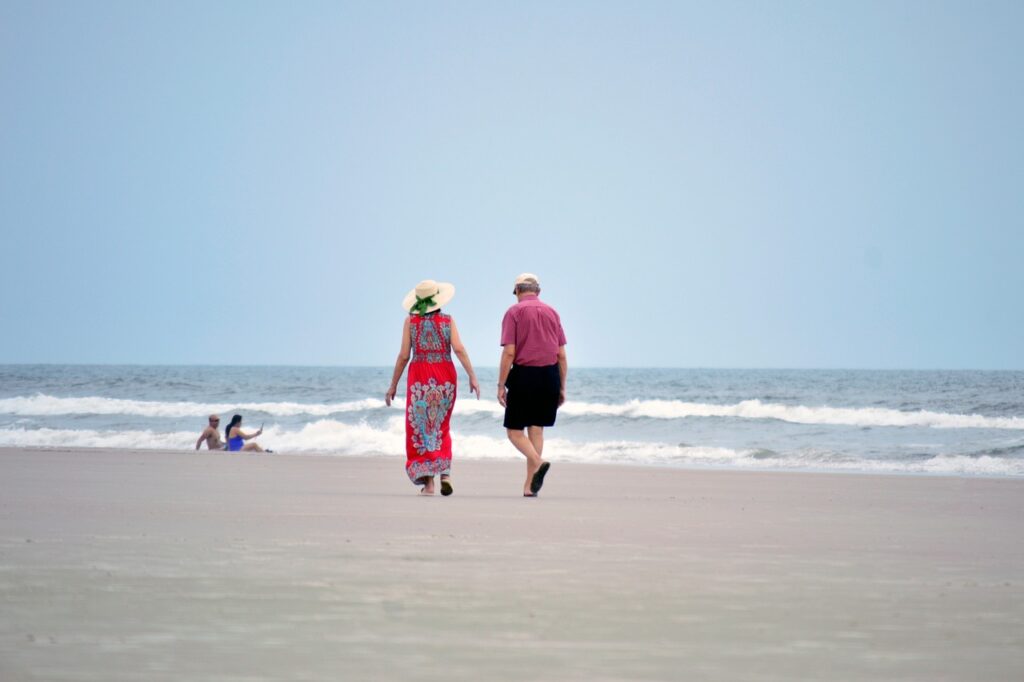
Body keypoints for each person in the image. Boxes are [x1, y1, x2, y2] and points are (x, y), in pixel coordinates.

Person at [386, 279, 480, 496]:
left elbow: (403, 356)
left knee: (421, 428)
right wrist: (472, 376)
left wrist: (393, 385)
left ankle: (429, 485)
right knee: (440, 426)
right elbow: (459, 348)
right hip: (445, 375)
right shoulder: (448, 321)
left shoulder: (410, 322)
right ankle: (445, 473)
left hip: (419, 376)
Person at [497, 273, 567, 497]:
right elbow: (562, 355)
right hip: (550, 375)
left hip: (524, 375)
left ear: (517, 290)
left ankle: (538, 462)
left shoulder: (513, 312)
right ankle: (529, 487)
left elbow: (509, 351)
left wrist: (501, 385)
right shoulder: (552, 312)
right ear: (538, 291)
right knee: (536, 429)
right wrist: (562, 387)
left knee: (514, 432)